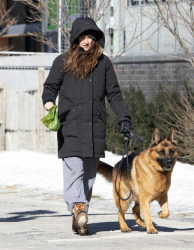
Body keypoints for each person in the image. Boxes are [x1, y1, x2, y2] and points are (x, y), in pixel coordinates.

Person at [42, 17, 131, 235]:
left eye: (90, 37)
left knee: (89, 176)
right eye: (82, 37)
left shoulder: (104, 63)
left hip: (94, 128)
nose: (87, 41)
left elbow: (114, 94)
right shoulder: (62, 61)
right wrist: (48, 100)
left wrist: (124, 118)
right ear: (75, 39)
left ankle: (79, 216)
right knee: (74, 171)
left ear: (96, 39)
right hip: (70, 126)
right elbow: (50, 85)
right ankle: (79, 208)